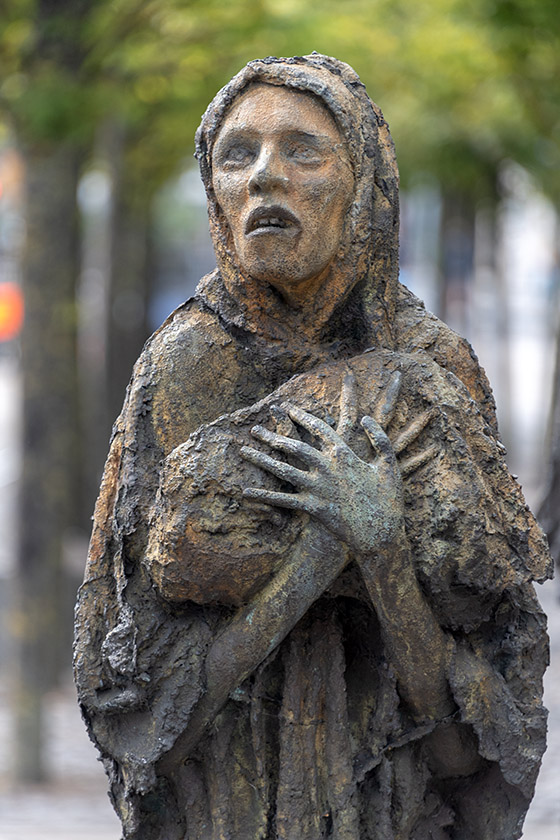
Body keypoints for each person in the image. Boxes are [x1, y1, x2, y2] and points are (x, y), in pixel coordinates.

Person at [74, 54, 551, 840]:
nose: (266, 177)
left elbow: (468, 750)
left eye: (303, 149)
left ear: (363, 185)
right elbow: (153, 723)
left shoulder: (433, 373)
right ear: (215, 197)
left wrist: (386, 556)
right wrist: (316, 560)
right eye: (238, 154)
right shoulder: (187, 366)